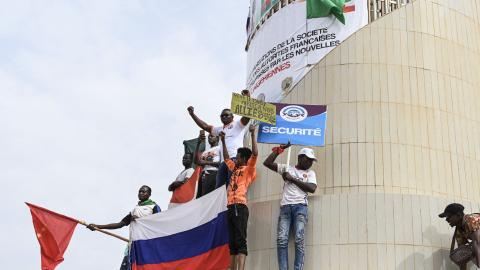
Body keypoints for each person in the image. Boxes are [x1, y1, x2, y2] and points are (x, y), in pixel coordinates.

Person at [263, 143, 318, 270]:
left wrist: (292, 179)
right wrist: (280, 149)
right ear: (300, 157)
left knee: (299, 239)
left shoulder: (310, 173)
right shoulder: (287, 168)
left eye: (311, 160)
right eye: (308, 159)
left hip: (300, 207)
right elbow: (267, 163)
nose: (310, 162)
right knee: (282, 240)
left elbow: (312, 188)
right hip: (285, 208)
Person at [187, 89, 251, 189]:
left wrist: (247, 98)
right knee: (219, 189)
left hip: (235, 159)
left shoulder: (238, 125)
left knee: (232, 186)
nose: (224, 117)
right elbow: (205, 126)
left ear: (232, 117)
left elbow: (247, 116)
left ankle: (232, 204)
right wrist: (192, 115)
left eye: (226, 115)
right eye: (222, 115)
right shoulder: (219, 129)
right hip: (223, 162)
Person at [87, 185, 161, 270]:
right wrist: (98, 227)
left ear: (149, 194)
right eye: (139, 191)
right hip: (133, 245)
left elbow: (158, 222)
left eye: (143, 191)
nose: (141, 193)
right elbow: (120, 224)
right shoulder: (135, 210)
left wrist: (141, 220)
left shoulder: (153, 207)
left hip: (147, 245)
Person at [220, 124, 258, 270]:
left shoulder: (249, 169)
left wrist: (253, 134)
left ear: (243, 159)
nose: (236, 159)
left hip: (240, 206)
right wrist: (223, 141)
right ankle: (232, 267)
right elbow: (226, 158)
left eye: (239, 157)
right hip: (230, 207)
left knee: (240, 240)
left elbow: (255, 153)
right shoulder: (234, 169)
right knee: (232, 242)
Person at [439, 203, 480, 269]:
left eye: (448, 217)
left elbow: (477, 243)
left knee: (476, 248)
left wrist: (479, 265)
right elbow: (462, 256)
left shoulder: (471, 220)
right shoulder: (459, 232)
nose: (447, 220)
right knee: (469, 251)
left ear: (458, 215)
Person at [194, 130, 221, 197]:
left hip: (214, 174)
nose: (209, 138)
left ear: (217, 138)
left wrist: (205, 162)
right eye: (208, 137)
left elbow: (221, 163)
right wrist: (198, 143)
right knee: (201, 198)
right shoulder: (205, 152)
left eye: (212, 136)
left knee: (210, 196)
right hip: (203, 175)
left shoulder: (220, 148)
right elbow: (196, 162)